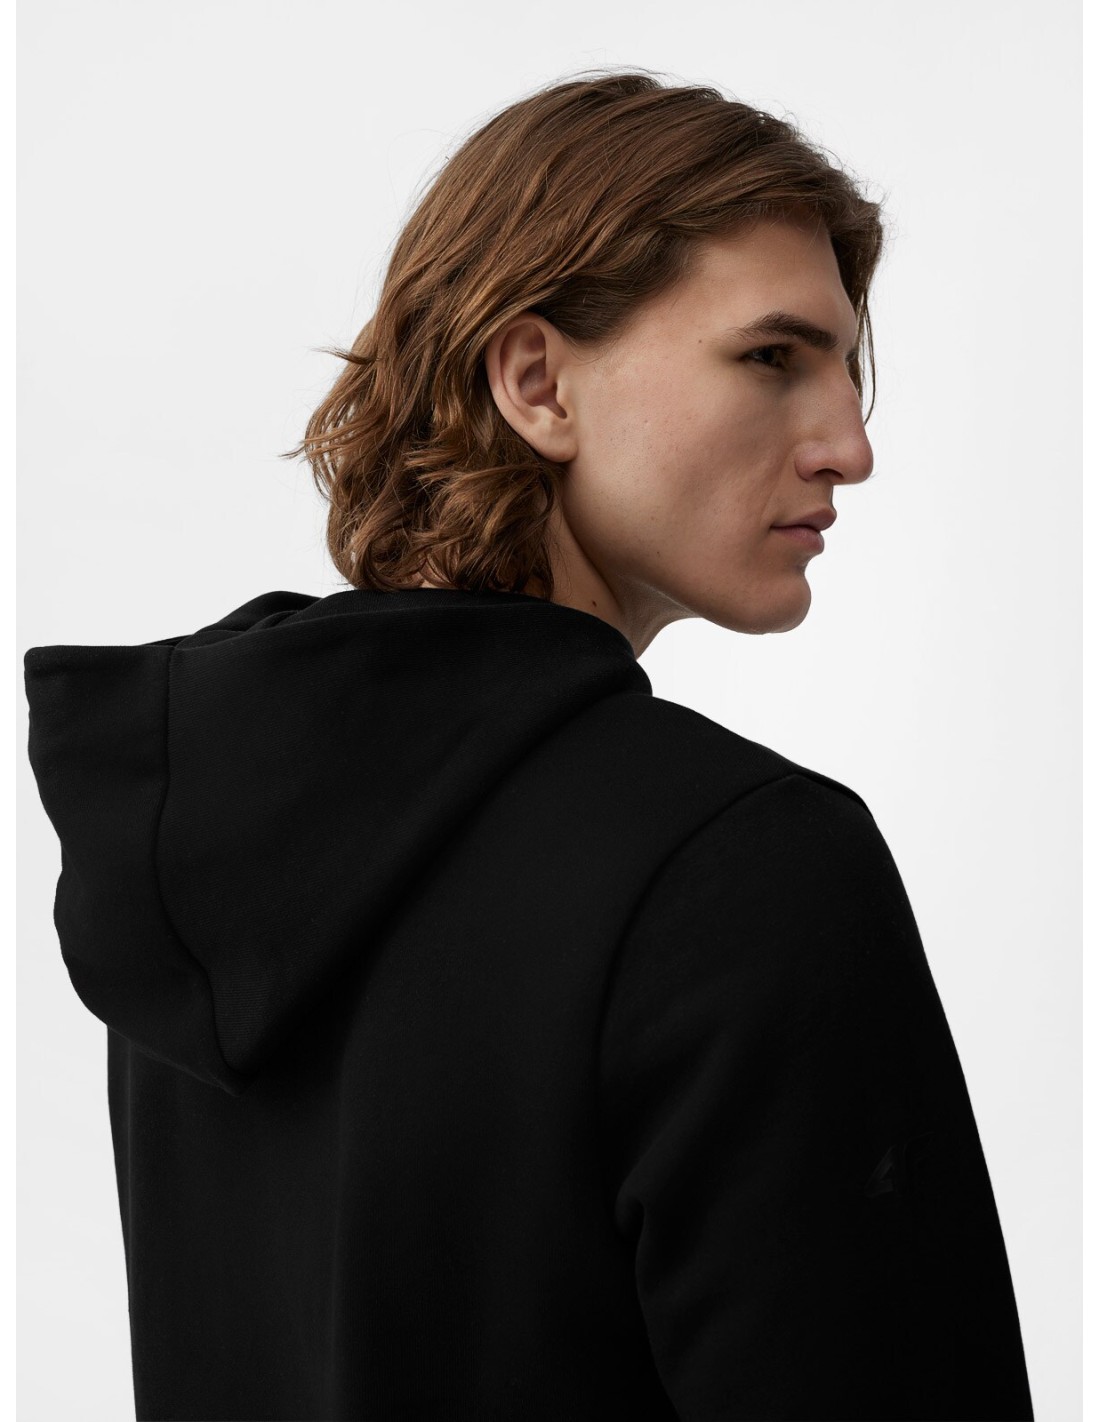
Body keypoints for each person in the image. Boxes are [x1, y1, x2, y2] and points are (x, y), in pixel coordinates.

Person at [23, 69, 1034, 1420]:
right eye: (772, 358)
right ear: (538, 381)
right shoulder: (741, 865)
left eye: (847, 369)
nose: (849, 446)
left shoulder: (202, 855)